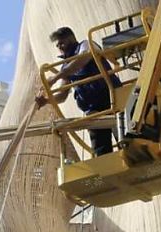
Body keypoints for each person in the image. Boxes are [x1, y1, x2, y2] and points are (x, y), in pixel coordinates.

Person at [35, 26, 122, 156]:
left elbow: (82, 59)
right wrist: (46, 101)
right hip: (93, 110)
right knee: (101, 150)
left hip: (113, 100)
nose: (60, 48)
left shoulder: (87, 45)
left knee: (125, 138)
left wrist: (55, 78)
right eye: (58, 46)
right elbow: (62, 95)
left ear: (71, 38)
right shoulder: (66, 66)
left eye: (61, 43)